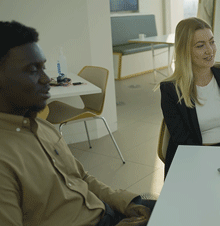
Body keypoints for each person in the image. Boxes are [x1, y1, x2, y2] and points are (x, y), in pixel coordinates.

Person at [0, 21, 154, 226]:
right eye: (32, 70)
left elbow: (81, 177)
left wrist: (126, 204)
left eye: (43, 67)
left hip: (106, 211)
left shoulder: (43, 127)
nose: (46, 79)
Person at [159, 17, 220, 178]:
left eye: (212, 42)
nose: (210, 50)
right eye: (200, 45)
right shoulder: (170, 89)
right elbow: (183, 140)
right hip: (195, 158)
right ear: (185, 50)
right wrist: (210, 166)